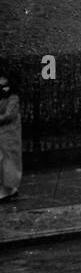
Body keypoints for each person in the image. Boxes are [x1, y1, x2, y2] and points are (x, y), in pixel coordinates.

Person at [0, 74, 21, 202]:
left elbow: (10, 114)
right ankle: (8, 189)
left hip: (10, 134)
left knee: (9, 162)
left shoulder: (13, 97)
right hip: (3, 133)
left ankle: (8, 190)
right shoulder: (3, 97)